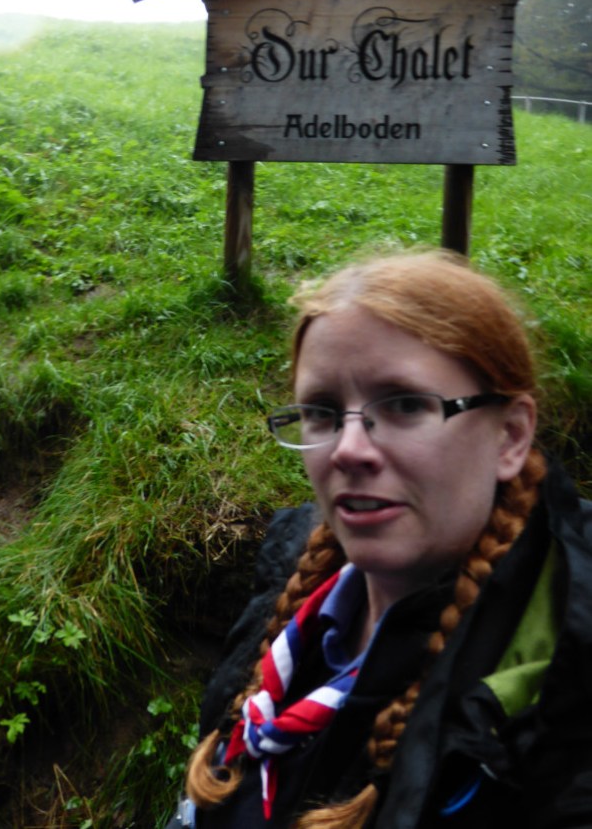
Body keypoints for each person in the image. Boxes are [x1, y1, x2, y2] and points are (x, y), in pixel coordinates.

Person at [170, 249, 592, 829]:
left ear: (511, 437)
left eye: (404, 405)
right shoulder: (289, 587)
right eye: (320, 412)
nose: (347, 450)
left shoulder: (567, 681)